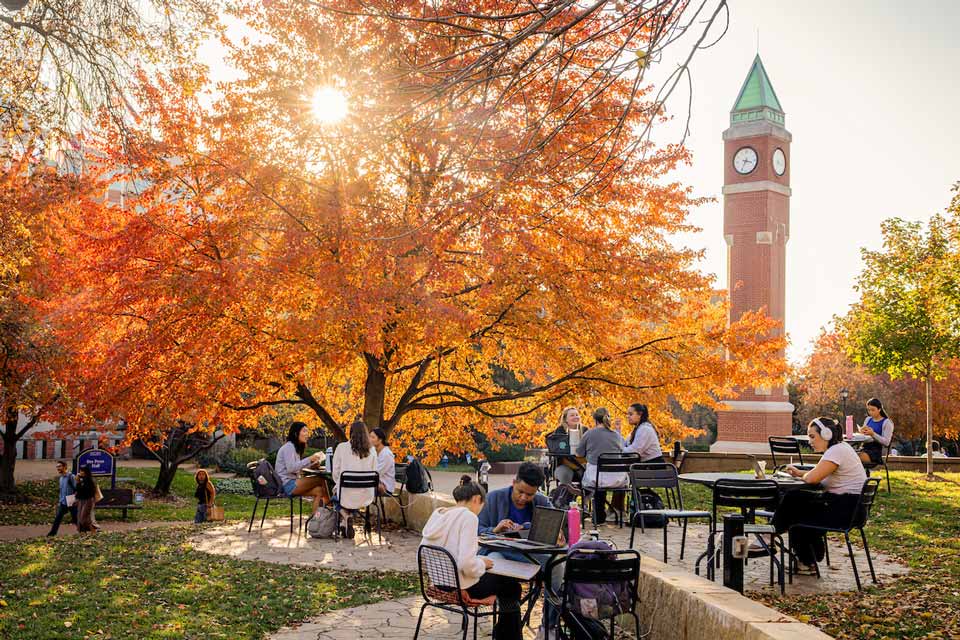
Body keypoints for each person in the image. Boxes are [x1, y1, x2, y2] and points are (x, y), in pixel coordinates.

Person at [421, 476, 522, 640]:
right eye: (482, 505)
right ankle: (507, 636)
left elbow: (425, 552)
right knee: (512, 586)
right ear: (477, 499)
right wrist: (482, 563)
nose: (480, 510)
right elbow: (466, 564)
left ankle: (504, 633)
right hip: (463, 585)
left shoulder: (438, 515)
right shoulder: (468, 517)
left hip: (439, 582)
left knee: (506, 584)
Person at [773, 417, 867, 574]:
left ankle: (770, 536)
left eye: (812, 436)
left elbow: (812, 479)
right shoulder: (841, 448)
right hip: (849, 507)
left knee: (793, 501)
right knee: (797, 500)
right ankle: (807, 558)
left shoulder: (836, 451)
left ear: (827, 434)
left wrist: (804, 476)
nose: (809, 441)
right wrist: (799, 473)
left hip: (844, 510)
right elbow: (818, 475)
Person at [576, 407, 626, 525]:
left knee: (594, 475)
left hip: (595, 478)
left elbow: (578, 453)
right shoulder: (617, 435)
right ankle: (608, 514)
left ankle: (597, 515)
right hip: (617, 479)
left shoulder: (589, 434)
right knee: (602, 475)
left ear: (595, 419)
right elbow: (623, 450)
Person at [477, 461, 552, 535]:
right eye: (520, 492)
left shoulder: (542, 501)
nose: (523, 498)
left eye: (530, 495)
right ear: (514, 483)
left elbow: (555, 525)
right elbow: (476, 529)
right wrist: (494, 530)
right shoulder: (492, 498)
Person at [332, 420, 378, 538]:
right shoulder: (372, 450)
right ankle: (345, 522)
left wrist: (338, 482)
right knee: (350, 494)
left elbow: (335, 472)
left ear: (350, 433)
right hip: (366, 495)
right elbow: (375, 471)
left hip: (345, 493)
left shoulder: (341, 448)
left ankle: (346, 517)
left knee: (334, 496)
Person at [275, 421, 328, 518]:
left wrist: (311, 465)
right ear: (296, 433)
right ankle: (332, 506)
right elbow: (291, 468)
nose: (307, 434)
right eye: (304, 431)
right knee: (322, 479)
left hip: (292, 483)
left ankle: (316, 520)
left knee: (319, 491)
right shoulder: (289, 447)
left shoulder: (295, 448)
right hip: (287, 485)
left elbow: (296, 467)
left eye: (307, 432)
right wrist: (309, 459)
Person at [547, 406, 585, 486]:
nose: (575, 417)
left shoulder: (585, 431)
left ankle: (586, 496)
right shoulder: (560, 431)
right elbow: (558, 452)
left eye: (577, 415)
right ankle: (569, 495)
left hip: (583, 464)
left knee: (594, 474)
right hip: (564, 465)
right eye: (572, 415)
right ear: (565, 419)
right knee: (565, 474)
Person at [858, 398, 894, 466]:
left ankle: (860, 476)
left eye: (873, 410)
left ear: (879, 409)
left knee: (855, 457)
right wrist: (862, 432)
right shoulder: (868, 419)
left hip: (876, 452)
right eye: (868, 410)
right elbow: (864, 437)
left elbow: (886, 442)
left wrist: (873, 434)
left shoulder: (887, 422)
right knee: (849, 454)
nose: (870, 412)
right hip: (864, 448)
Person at [48, 460, 78, 537]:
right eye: (57, 467)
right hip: (63, 502)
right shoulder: (61, 478)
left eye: (60, 466)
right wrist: (60, 501)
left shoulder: (71, 477)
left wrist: (75, 500)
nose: (58, 468)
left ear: (65, 467)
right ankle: (52, 534)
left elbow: (77, 489)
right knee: (58, 518)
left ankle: (83, 531)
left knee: (75, 519)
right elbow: (61, 491)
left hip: (71, 500)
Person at [369, 427, 396, 495]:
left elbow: (377, 473)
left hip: (385, 487)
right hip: (375, 484)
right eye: (369, 437)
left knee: (358, 488)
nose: (370, 440)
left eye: (373, 437)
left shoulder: (387, 454)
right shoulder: (374, 452)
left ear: (380, 440)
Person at [74, 465, 99, 533]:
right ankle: (83, 533)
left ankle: (93, 530)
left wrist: (79, 482)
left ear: (86, 472)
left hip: (88, 500)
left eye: (82, 471)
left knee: (83, 518)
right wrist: (78, 482)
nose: (80, 472)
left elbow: (87, 491)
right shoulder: (81, 480)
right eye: (80, 471)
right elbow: (78, 490)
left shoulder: (89, 480)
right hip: (81, 500)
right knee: (80, 518)